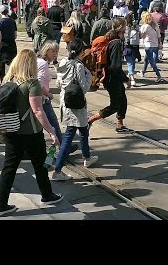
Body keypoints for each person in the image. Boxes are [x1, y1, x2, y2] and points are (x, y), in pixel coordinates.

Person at [0, 49, 63, 216]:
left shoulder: (8, 80)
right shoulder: (32, 84)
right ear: (30, 64)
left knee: (9, 168)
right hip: (31, 132)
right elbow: (38, 110)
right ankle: (47, 194)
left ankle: (1, 205)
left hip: (11, 131)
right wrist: (52, 131)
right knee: (40, 164)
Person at [53, 39, 95, 181]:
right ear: (81, 51)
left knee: (83, 130)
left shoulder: (63, 62)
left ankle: (87, 157)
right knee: (69, 134)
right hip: (76, 105)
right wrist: (89, 75)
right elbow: (84, 87)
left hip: (65, 101)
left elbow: (58, 82)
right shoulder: (78, 66)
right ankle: (57, 170)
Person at [88, 17, 132, 132]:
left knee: (122, 100)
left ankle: (120, 124)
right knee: (115, 105)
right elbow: (115, 66)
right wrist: (126, 79)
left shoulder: (110, 39)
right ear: (122, 27)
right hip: (112, 78)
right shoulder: (116, 43)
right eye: (125, 26)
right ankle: (90, 120)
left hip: (108, 76)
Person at [37, 41, 63, 147]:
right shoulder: (43, 64)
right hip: (43, 98)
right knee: (53, 124)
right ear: (46, 51)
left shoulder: (37, 60)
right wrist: (48, 94)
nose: (55, 54)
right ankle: (63, 148)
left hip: (37, 97)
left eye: (57, 51)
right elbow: (38, 82)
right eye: (53, 51)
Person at [137, 11, 165, 83]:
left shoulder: (144, 26)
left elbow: (141, 36)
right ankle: (143, 72)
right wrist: (160, 43)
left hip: (148, 45)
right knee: (146, 59)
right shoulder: (155, 25)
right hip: (155, 45)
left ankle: (159, 76)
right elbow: (159, 35)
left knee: (151, 62)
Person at [0, 5, 17, 83]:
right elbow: (15, 36)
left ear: (0, 12)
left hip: (3, 46)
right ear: (8, 12)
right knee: (12, 64)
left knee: (2, 65)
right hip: (12, 45)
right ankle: (12, 80)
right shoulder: (13, 22)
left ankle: (2, 81)